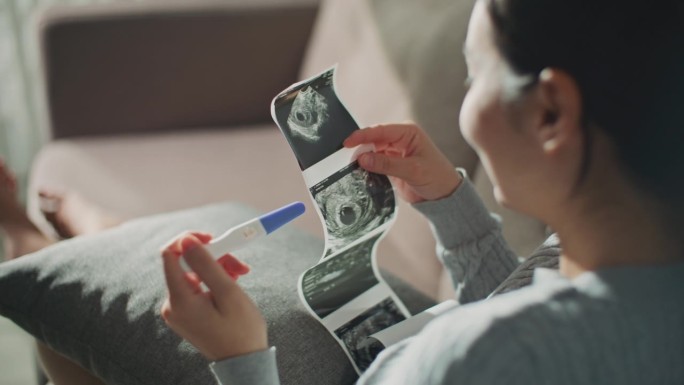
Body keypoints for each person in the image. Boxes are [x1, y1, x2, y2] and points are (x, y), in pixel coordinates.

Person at [159, 0, 684, 384]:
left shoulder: (469, 360)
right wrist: (451, 204)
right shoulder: (605, 270)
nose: (466, 101)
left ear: (550, 114)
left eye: (474, 73)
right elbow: (523, 301)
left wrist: (238, 358)